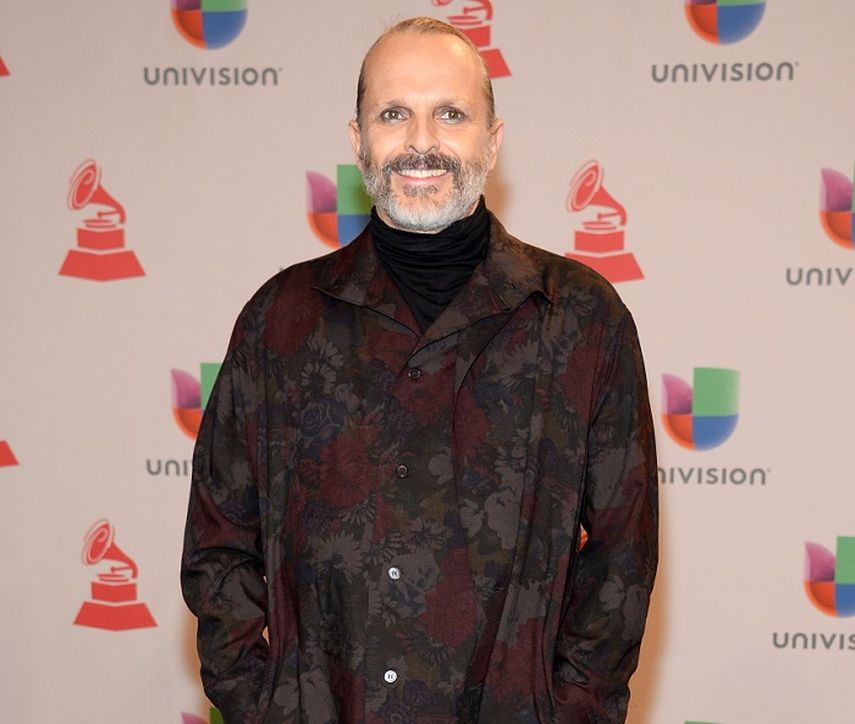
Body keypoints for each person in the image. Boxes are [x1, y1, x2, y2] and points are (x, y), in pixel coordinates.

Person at [181, 16, 657, 724]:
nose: (421, 141)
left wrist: (570, 711)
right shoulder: (279, 320)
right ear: (358, 141)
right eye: (394, 114)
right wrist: (264, 707)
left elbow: (622, 552)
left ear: (492, 141)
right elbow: (218, 544)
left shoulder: (581, 320)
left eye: (451, 114)